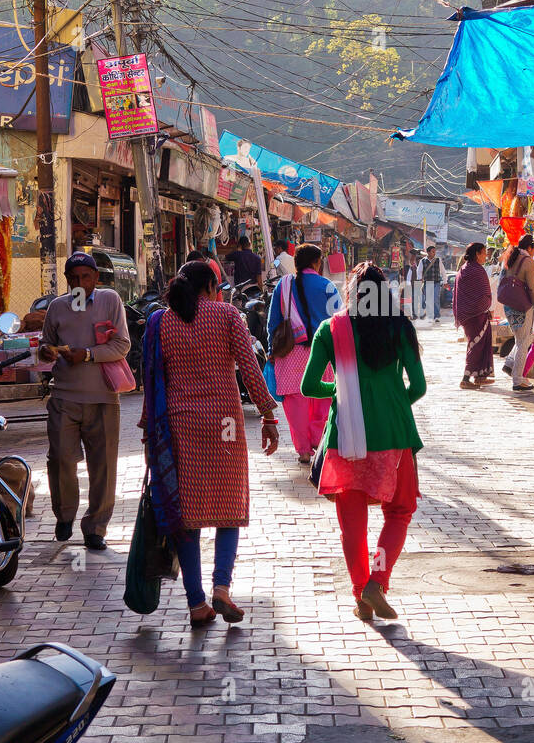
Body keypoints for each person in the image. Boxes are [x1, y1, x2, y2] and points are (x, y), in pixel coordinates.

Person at [144, 261, 280, 627]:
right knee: (228, 504)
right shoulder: (227, 315)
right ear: (210, 286)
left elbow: (152, 378)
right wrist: (268, 414)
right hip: (225, 423)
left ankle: (196, 603)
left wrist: (147, 431)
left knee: (186, 515)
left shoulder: (161, 321)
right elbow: (250, 368)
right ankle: (221, 588)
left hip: (179, 424)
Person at [302, 264, 426, 622]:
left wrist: (342, 391)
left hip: (347, 437)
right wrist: (392, 402)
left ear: (350, 292)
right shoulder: (400, 327)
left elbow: (310, 386)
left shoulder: (331, 329)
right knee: (399, 512)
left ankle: (360, 594)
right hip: (395, 435)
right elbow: (417, 387)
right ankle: (378, 580)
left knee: (352, 523)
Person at [38, 252, 132, 550]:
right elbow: (46, 342)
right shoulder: (57, 307)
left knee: (102, 465)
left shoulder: (110, 301)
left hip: (103, 397)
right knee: (61, 459)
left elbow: (122, 345)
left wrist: (88, 355)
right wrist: (47, 352)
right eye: (74, 278)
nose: (80, 283)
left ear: (96, 279)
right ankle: (64, 514)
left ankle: (95, 527)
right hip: (64, 397)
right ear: (67, 280)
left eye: (86, 277)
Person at [267, 243, 342, 463]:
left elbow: (273, 321)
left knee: (296, 402)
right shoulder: (327, 286)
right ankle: (317, 444)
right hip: (322, 352)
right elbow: (338, 320)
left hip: (290, 352)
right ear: (316, 263)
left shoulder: (283, 285)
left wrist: (272, 349)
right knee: (322, 399)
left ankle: (302, 451)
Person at [501, 234, 534, 392]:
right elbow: (533, 290)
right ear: (530, 247)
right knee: (523, 342)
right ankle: (518, 379)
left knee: (521, 339)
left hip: (508, 305)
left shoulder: (510, 258)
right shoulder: (528, 262)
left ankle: (510, 365)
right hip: (522, 306)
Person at [453, 242, 494, 389]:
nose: (485, 256)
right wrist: (484, 308)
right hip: (476, 316)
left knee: (478, 344)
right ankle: (465, 378)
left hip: (467, 314)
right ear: (477, 254)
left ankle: (480, 377)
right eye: (483, 253)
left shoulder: (463, 270)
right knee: (475, 345)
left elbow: (465, 296)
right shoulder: (477, 270)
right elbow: (484, 295)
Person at [419, 245, 444, 323]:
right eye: (433, 251)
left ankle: (436, 316)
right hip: (427, 283)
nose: (434, 253)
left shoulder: (438, 260)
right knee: (429, 300)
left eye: (435, 251)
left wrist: (445, 282)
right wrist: (420, 279)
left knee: (435, 299)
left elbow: (443, 271)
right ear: (428, 252)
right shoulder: (422, 261)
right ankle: (430, 316)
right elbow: (419, 271)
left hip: (436, 282)